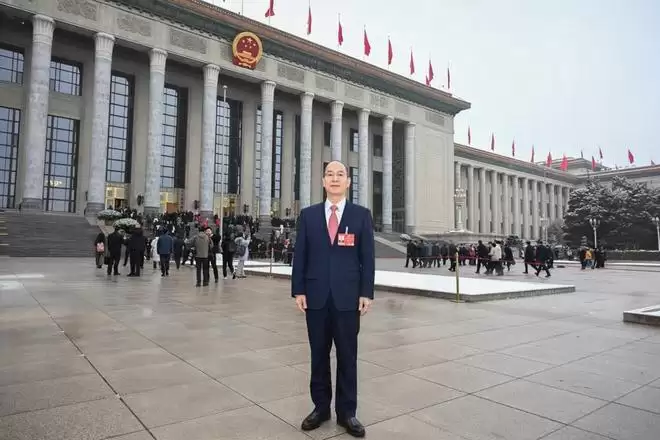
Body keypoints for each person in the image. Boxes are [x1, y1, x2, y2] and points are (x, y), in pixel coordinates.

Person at [292, 160, 375, 438]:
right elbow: (300, 255)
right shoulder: (309, 215)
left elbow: (367, 258)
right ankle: (320, 408)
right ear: (323, 181)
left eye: (340, 174)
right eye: (330, 174)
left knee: (348, 356)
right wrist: (299, 290)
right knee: (318, 355)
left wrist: (366, 292)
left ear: (348, 182)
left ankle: (347, 412)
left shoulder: (361, 215)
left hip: (348, 299)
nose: (335, 178)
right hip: (315, 298)